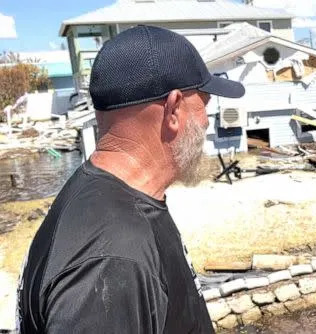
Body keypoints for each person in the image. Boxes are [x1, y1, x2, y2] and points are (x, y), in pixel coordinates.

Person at [17, 25, 244, 333]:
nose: (206, 120)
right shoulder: (112, 261)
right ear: (174, 110)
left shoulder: (114, 203)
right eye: (204, 101)